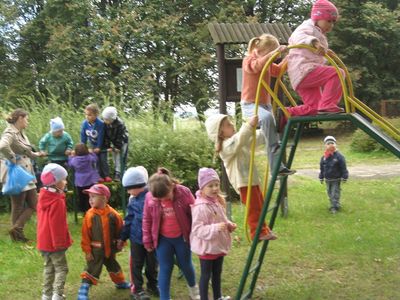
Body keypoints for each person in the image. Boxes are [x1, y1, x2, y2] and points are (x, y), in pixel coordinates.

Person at [205, 114, 280, 241]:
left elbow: (254, 138)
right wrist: (248, 125)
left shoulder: (238, 140)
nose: (232, 125)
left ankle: (264, 229)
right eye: (228, 125)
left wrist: (268, 128)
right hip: (243, 182)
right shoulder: (225, 146)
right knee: (253, 207)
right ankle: (257, 232)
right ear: (220, 133)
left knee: (260, 205)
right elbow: (239, 140)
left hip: (251, 179)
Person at [142, 167, 200, 300]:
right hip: (163, 240)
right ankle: (164, 297)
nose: (162, 200)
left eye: (165, 196)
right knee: (165, 268)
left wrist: (197, 233)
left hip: (182, 238)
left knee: (186, 265)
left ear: (172, 186)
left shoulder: (183, 192)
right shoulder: (150, 198)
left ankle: (194, 292)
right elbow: (147, 219)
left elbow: (195, 213)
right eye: (159, 199)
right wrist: (148, 240)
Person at [240, 33, 295, 174]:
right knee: (267, 119)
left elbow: (277, 71)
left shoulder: (266, 62)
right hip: (250, 105)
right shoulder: (249, 60)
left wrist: (289, 58)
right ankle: (276, 162)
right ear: (260, 50)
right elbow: (255, 67)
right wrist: (274, 53)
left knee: (271, 133)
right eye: (272, 54)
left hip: (265, 105)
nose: (275, 58)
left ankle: (277, 168)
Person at [286, 0, 345, 116]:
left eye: (333, 22)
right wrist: (315, 43)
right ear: (317, 17)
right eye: (328, 21)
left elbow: (311, 52)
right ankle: (328, 104)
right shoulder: (307, 27)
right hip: (304, 70)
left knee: (314, 108)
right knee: (337, 73)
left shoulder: (318, 32)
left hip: (301, 76)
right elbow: (298, 37)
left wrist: (325, 52)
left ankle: (286, 113)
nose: (331, 25)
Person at [77, 184, 130, 300]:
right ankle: (84, 288)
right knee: (92, 268)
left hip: (110, 249)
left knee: (114, 266)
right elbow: (85, 235)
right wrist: (87, 251)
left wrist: (120, 243)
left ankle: (120, 282)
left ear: (104, 198)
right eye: (89, 197)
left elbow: (120, 229)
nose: (90, 199)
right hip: (96, 250)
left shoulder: (114, 214)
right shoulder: (89, 215)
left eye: (93, 196)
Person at [190, 168, 236, 300]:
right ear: (202, 188)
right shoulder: (200, 207)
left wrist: (228, 224)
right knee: (206, 275)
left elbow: (221, 219)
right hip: (207, 248)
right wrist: (216, 228)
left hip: (217, 245)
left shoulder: (216, 201)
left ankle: (218, 297)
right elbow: (197, 229)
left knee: (217, 273)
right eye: (210, 185)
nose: (215, 188)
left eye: (216, 184)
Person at [0, 108, 42, 242]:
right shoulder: (10, 132)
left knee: (34, 204)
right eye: (26, 119)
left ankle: (16, 228)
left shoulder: (21, 133)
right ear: (20, 118)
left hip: (26, 172)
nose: (28, 122)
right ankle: (18, 237)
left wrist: (36, 155)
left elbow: (26, 150)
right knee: (18, 204)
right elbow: (2, 146)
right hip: (16, 173)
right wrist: (13, 158)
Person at [119, 166, 159, 300]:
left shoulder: (152, 198)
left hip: (152, 239)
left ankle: (152, 285)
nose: (129, 192)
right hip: (137, 239)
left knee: (152, 264)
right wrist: (122, 237)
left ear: (137, 186)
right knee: (137, 264)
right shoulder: (134, 200)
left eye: (129, 189)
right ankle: (137, 289)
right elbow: (129, 220)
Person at [37, 163, 72, 300]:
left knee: (48, 268)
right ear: (56, 183)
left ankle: (46, 294)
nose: (65, 182)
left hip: (44, 241)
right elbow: (57, 224)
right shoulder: (57, 201)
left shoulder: (43, 196)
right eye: (63, 179)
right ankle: (57, 294)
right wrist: (60, 243)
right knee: (61, 268)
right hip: (54, 243)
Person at [80, 103, 110, 182]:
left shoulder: (100, 124)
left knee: (103, 160)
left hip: (102, 145)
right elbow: (83, 136)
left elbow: (101, 136)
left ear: (96, 115)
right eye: (86, 114)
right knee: (95, 161)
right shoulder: (84, 124)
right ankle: (98, 176)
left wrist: (99, 147)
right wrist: (83, 147)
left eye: (90, 115)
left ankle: (106, 175)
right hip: (92, 145)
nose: (87, 116)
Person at [319, 135, 348, 213]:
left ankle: (334, 207)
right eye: (328, 144)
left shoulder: (339, 156)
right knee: (329, 192)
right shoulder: (324, 157)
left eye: (332, 143)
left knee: (335, 192)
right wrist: (321, 177)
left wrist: (345, 176)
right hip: (327, 179)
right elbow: (322, 167)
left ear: (335, 145)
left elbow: (343, 167)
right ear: (325, 146)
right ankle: (334, 204)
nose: (330, 145)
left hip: (336, 178)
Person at [68, 143, 100, 213]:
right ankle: (92, 210)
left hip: (80, 181)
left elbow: (70, 164)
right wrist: (92, 153)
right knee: (91, 196)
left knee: (81, 197)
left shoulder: (75, 160)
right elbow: (95, 159)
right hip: (90, 180)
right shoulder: (89, 157)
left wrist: (71, 156)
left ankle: (84, 211)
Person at [102, 106, 129, 182]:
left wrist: (118, 146)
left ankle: (120, 173)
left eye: (106, 119)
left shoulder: (120, 124)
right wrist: (108, 146)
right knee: (114, 156)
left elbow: (121, 136)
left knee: (121, 156)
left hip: (123, 141)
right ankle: (117, 171)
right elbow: (106, 136)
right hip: (113, 140)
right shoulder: (105, 123)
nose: (104, 121)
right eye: (104, 119)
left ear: (112, 119)